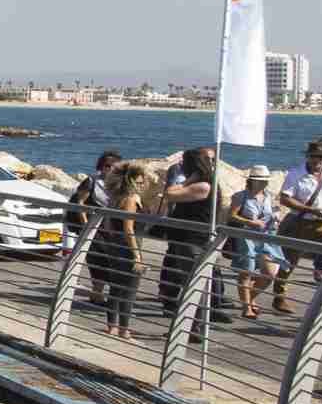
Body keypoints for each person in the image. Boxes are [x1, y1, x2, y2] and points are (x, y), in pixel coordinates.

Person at [271, 140, 322, 318]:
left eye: (320, 157)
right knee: (289, 261)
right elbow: (285, 198)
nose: (316, 160)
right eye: (313, 156)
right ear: (307, 156)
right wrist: (309, 209)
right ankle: (279, 296)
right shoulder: (296, 173)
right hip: (301, 221)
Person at [157, 146, 221, 321]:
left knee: (192, 285)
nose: (181, 166)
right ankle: (190, 324)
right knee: (185, 282)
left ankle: (194, 327)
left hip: (193, 241)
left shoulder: (203, 185)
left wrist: (188, 180)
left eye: (184, 163)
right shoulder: (201, 183)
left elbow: (170, 194)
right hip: (185, 239)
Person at [62, 150, 124, 307]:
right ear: (102, 166)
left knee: (108, 259)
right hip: (93, 225)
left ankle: (98, 293)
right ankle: (97, 294)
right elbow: (80, 203)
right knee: (97, 259)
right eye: (107, 166)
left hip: (110, 227)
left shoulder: (118, 183)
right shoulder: (91, 181)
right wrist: (85, 225)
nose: (110, 169)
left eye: (114, 167)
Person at [97, 162, 147, 340]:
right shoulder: (131, 199)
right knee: (130, 290)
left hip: (114, 246)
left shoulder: (114, 198)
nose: (142, 185)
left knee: (116, 289)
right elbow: (129, 228)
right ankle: (125, 331)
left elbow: (109, 225)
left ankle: (112, 327)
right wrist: (137, 256)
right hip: (128, 247)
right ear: (130, 183)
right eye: (139, 183)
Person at [227, 167, 285, 320]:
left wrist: (276, 216)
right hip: (247, 237)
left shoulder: (269, 196)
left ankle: (249, 298)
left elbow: (274, 210)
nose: (263, 183)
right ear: (252, 180)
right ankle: (247, 307)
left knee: (270, 274)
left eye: (265, 181)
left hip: (267, 237)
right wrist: (250, 222)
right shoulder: (241, 196)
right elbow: (232, 216)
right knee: (247, 272)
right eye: (260, 181)